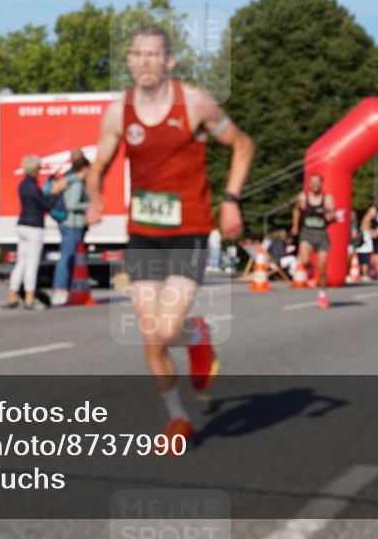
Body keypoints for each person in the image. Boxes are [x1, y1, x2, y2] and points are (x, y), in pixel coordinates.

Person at [85, 24, 254, 450]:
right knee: (151, 334)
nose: (144, 61)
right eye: (136, 54)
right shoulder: (118, 111)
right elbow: (99, 162)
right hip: (142, 234)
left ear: (169, 61)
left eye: (153, 54)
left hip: (188, 233)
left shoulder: (195, 104)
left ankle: (196, 335)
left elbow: (243, 145)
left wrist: (231, 199)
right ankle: (178, 418)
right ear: (128, 60)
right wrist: (93, 196)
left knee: (165, 329)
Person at [6, 155, 67, 310]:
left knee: (21, 263)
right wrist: (54, 192)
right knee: (32, 263)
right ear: (36, 169)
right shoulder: (33, 187)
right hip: (34, 227)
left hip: (22, 224)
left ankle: (12, 296)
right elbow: (46, 205)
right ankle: (29, 298)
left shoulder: (22, 185)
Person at [51, 151, 91, 306]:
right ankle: (60, 289)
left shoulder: (69, 179)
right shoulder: (76, 182)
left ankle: (62, 289)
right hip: (72, 224)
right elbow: (72, 204)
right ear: (84, 169)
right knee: (67, 257)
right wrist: (90, 205)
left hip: (69, 223)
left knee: (68, 256)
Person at [290, 173, 335, 309]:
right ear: (309, 184)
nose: (315, 185)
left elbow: (332, 216)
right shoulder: (303, 198)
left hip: (321, 234)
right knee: (303, 260)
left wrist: (329, 215)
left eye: (317, 182)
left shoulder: (327, 199)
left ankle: (322, 294)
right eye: (312, 182)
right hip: (307, 232)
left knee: (322, 269)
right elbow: (296, 211)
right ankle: (310, 268)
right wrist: (295, 226)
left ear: (321, 184)